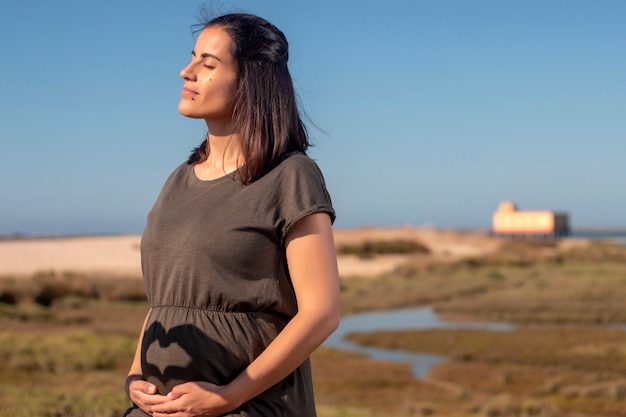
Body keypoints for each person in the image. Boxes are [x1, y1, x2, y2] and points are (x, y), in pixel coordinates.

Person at [122, 12, 340, 417]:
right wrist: (135, 377)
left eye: (208, 65)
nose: (186, 72)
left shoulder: (291, 175)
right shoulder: (178, 180)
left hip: (248, 408)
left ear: (251, 82)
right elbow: (166, 301)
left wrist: (231, 395)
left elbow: (322, 312)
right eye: (192, 59)